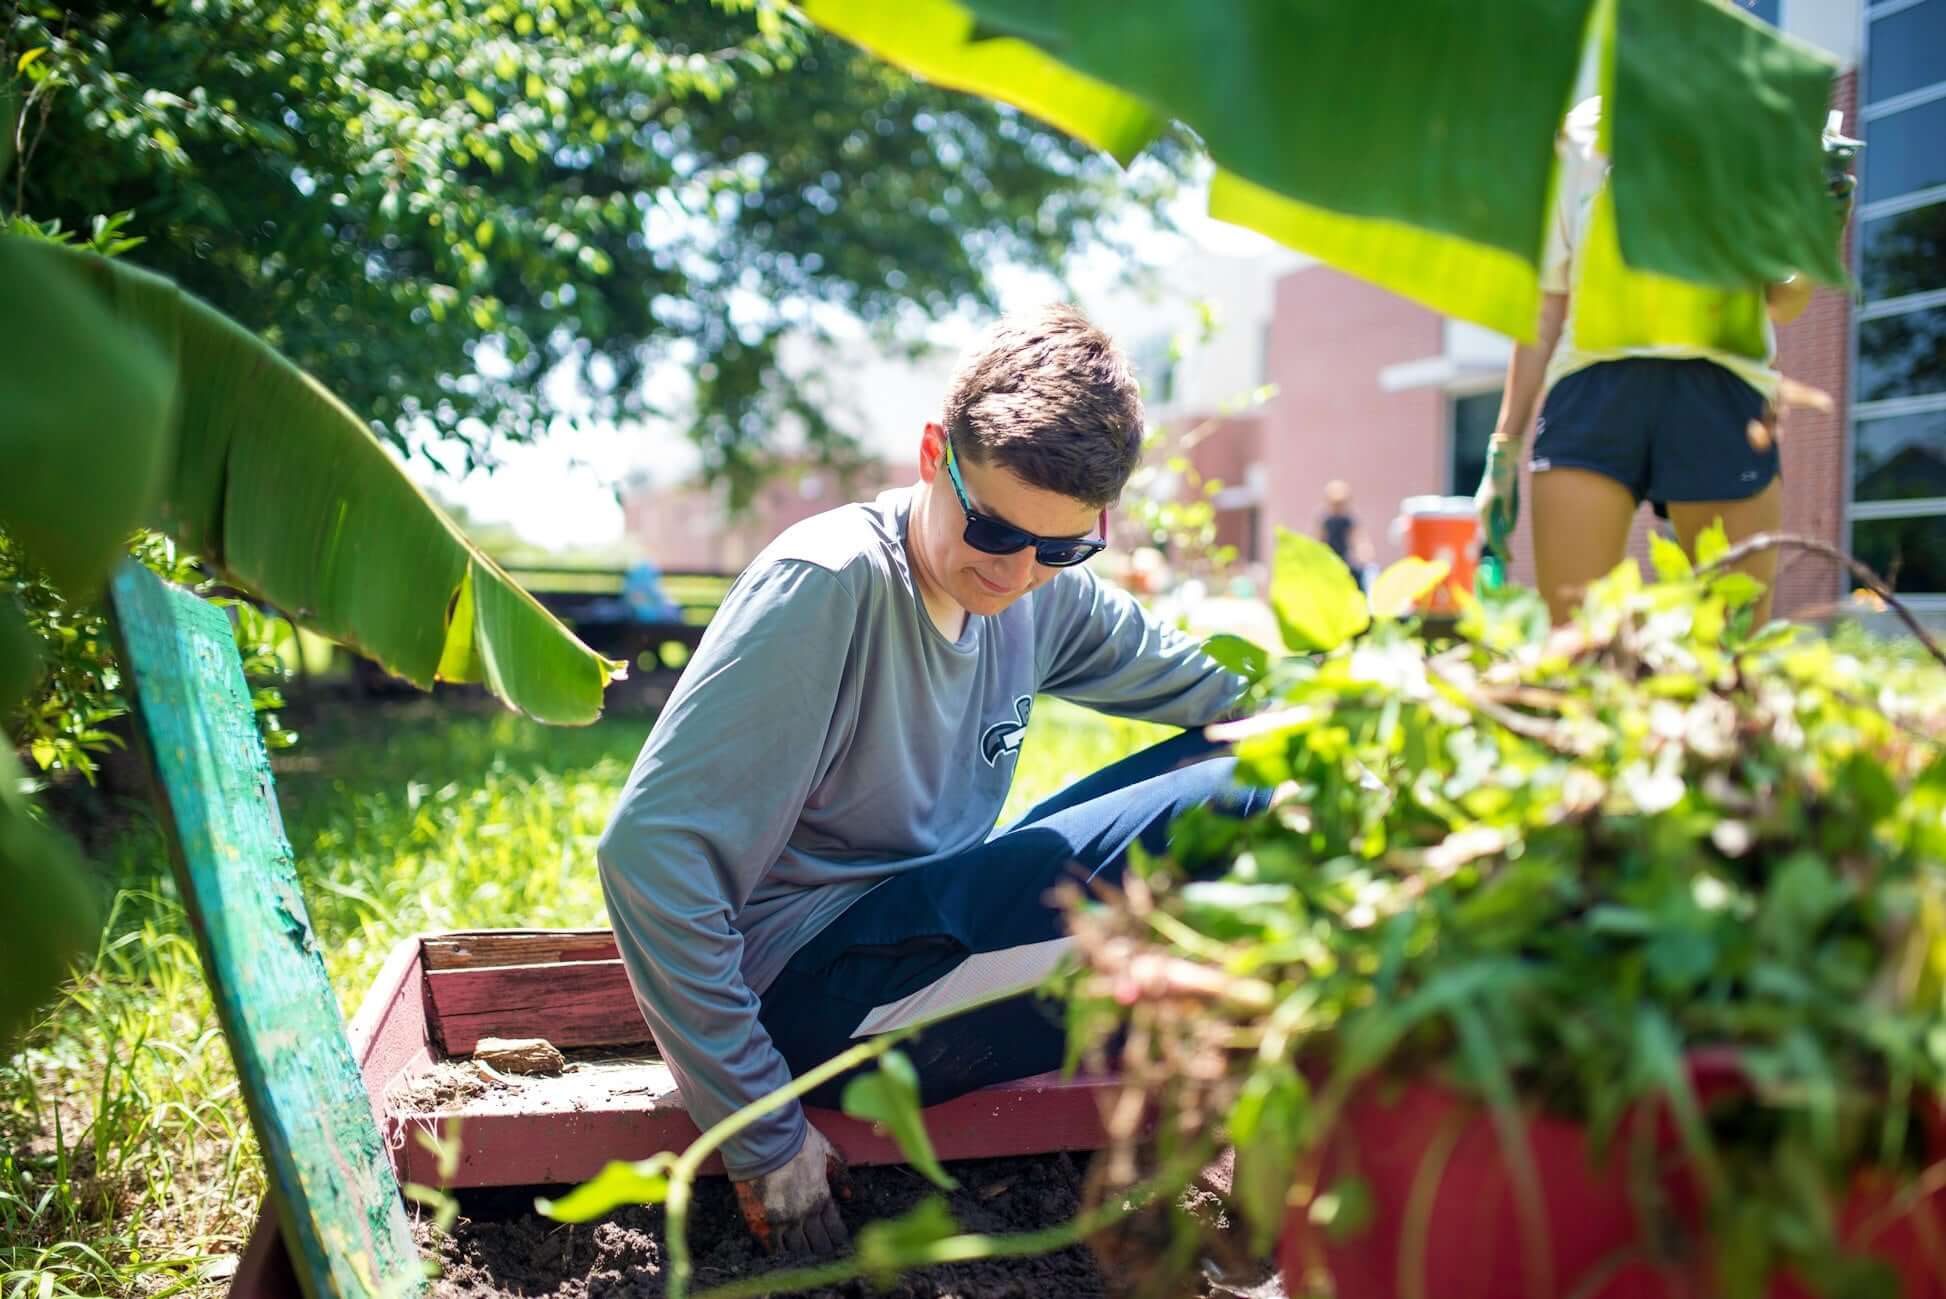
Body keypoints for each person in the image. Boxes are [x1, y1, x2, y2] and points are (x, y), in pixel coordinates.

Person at [596, 305, 1269, 1257]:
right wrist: (758, 1124)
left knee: (1252, 757)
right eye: (993, 529)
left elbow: (1234, 698)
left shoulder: (1038, 587)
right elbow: (652, 859)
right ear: (931, 454)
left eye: (1063, 547)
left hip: (917, 936)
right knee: (1244, 802)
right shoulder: (828, 587)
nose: (1018, 571)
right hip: (805, 1004)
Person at [1474, 96, 1845, 624]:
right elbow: (1547, 303)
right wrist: (1503, 450)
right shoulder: (1579, 135)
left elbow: (1781, 301)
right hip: (1591, 392)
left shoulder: (1762, 124)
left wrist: (1818, 237)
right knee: (1574, 650)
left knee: (1731, 651)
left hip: (1723, 392)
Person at [1318, 480, 1373, 588]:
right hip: (1329, 557)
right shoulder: (1326, 520)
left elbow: (1358, 538)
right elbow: (1319, 538)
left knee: (1356, 578)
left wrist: (1364, 551)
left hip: (1343, 557)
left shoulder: (1348, 520)